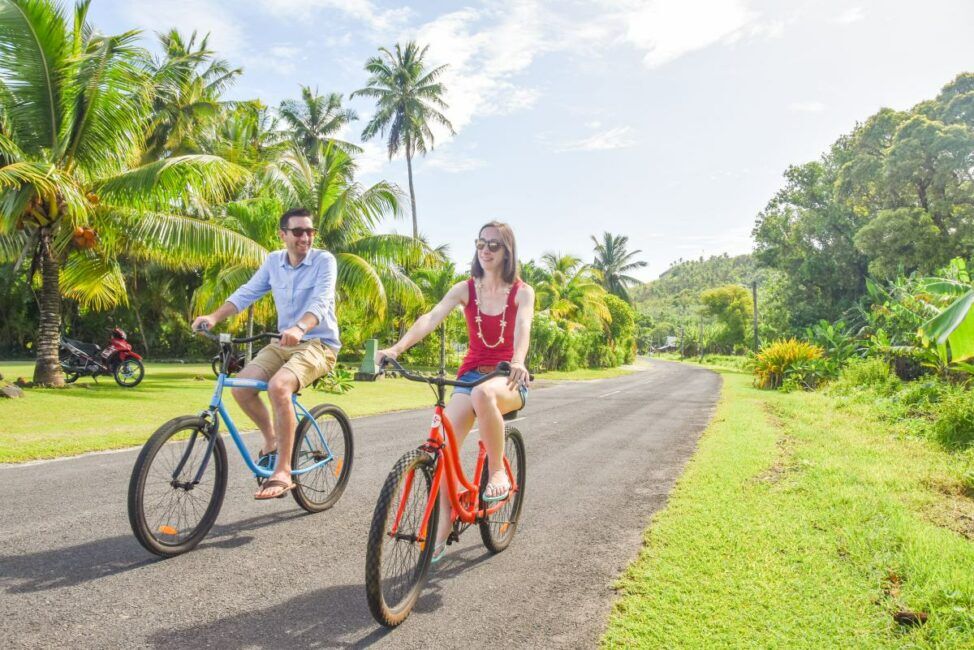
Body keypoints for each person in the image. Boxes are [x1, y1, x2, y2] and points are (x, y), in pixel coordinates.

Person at [377, 221, 534, 561]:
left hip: (508, 377)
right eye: (481, 243)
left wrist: (519, 360)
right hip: (470, 375)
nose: (486, 250)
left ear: (507, 251)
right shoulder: (466, 288)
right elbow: (431, 317)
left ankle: (497, 473)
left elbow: (523, 327)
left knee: (484, 395)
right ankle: (446, 520)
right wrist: (396, 349)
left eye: (494, 244)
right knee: (444, 442)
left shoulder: (522, 291)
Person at [191, 207, 340, 500]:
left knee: (279, 387)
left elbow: (322, 302)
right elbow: (247, 292)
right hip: (283, 344)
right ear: (283, 234)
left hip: (318, 344)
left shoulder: (324, 260)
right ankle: (271, 441)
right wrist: (215, 316)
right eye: (298, 231)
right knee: (242, 388)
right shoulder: (273, 261)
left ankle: (282, 471)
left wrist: (299, 327)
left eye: (310, 231)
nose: (305, 237)